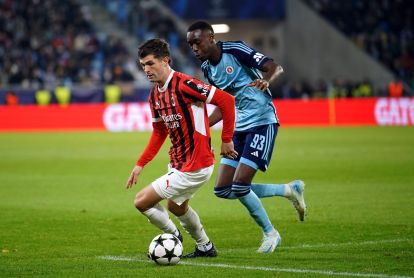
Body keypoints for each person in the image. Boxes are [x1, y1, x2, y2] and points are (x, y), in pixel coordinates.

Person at [187, 21, 306, 253]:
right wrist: (199, 128)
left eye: (197, 42)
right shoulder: (207, 70)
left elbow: (275, 67)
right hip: (239, 127)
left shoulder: (235, 50)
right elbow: (224, 104)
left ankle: (271, 233)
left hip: (262, 121)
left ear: (211, 38)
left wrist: (266, 80)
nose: (194, 47)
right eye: (190, 44)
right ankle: (289, 190)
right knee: (223, 189)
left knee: (241, 186)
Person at [126, 38, 237, 258]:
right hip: (179, 162)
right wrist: (140, 164)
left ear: (165, 60)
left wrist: (227, 138)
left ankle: (172, 236)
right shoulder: (155, 95)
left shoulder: (185, 84)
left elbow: (227, 100)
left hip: (195, 164)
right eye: (143, 66)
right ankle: (205, 247)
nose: (146, 70)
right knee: (177, 208)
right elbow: (159, 133)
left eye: (150, 63)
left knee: (141, 201)